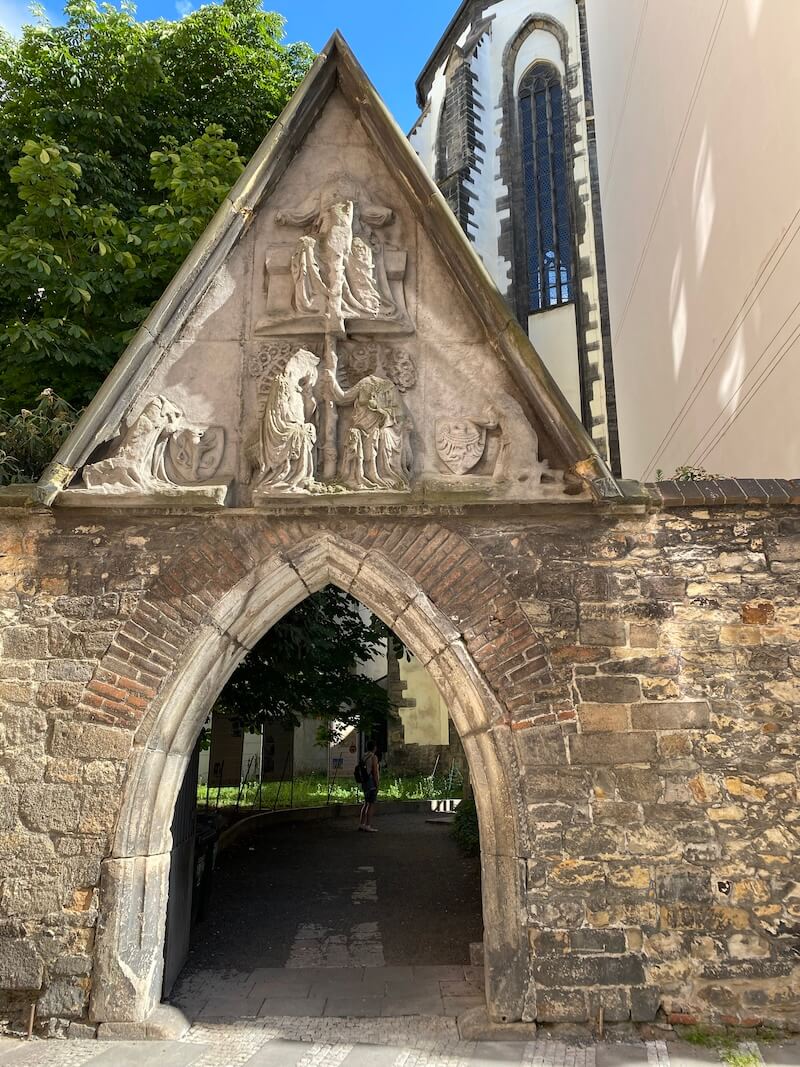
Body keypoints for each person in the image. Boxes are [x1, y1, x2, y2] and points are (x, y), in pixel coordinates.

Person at [358, 739, 380, 832]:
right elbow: (374, 771)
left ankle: (361, 824)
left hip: (364, 781)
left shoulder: (364, 756)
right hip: (371, 782)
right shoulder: (373, 757)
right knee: (371, 804)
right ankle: (368, 825)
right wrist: (377, 783)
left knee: (366, 803)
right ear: (374, 747)